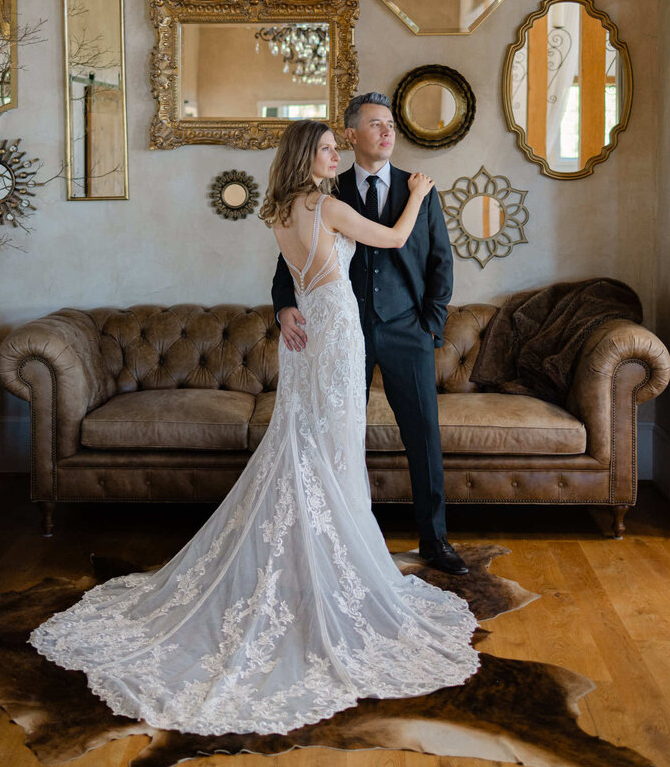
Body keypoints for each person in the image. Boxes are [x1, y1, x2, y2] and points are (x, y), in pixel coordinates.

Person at [29, 119, 478, 737]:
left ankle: (309, 556)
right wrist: (421, 195)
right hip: (338, 332)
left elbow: (296, 273)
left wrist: (289, 305)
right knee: (332, 443)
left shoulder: (278, 209)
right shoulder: (325, 203)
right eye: (326, 148)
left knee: (305, 440)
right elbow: (398, 238)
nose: (335, 154)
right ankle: (329, 564)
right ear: (307, 156)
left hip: (308, 334)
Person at [272, 94, 467, 575]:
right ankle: (343, 543)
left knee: (423, 436)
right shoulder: (327, 192)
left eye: (390, 126)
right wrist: (283, 308)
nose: (386, 132)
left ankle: (435, 541)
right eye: (375, 125)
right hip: (340, 334)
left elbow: (440, 262)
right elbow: (288, 263)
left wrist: (430, 327)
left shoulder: (419, 189)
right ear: (352, 134)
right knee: (338, 435)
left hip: (407, 332)